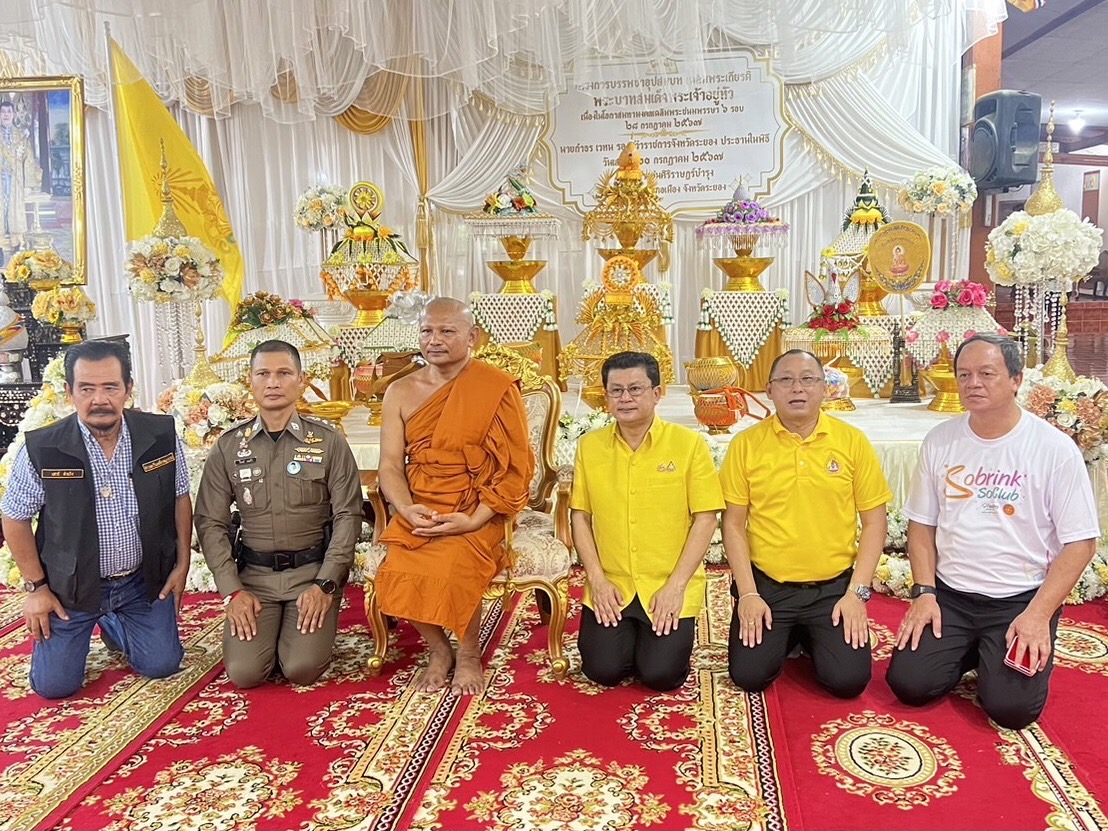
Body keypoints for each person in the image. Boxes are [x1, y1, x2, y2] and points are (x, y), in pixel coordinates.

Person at [887, 334, 1098, 729]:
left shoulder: (1053, 449)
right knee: (910, 684)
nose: (973, 383)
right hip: (951, 596)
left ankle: (996, 650)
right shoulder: (941, 440)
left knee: (1010, 710)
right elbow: (922, 524)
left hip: (1019, 600)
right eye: (964, 375)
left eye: (987, 373)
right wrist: (925, 592)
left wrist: (1038, 614)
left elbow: (1081, 542)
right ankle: (973, 650)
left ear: (1016, 380)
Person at [0, 340, 190, 699]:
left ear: (128, 389)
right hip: (70, 589)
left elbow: (180, 496)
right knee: (54, 686)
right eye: (87, 389)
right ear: (69, 391)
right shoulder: (43, 448)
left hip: (140, 581)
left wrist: (182, 563)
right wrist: (37, 588)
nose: (99, 399)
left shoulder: (160, 436)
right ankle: (101, 618)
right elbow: (14, 518)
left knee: (162, 664)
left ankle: (115, 621)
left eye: (110, 387)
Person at [375, 297, 533, 696]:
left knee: (455, 560)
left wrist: (474, 519)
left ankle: (468, 653)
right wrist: (406, 509)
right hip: (421, 505)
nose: (435, 340)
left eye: (447, 331)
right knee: (395, 567)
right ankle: (438, 648)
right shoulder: (400, 390)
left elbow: (516, 468)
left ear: (472, 337)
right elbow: (389, 466)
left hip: (479, 507)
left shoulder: (495, 387)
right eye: (427, 331)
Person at [720, 349, 890, 698]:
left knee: (848, 682)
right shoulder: (746, 445)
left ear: (825, 388)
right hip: (769, 586)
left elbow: (875, 522)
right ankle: (794, 635)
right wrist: (748, 593)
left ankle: (809, 636)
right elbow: (733, 525)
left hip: (833, 588)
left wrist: (856, 593)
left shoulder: (852, 442)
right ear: (769, 390)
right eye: (786, 380)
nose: (797, 388)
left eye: (808, 379)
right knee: (749, 676)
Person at [194, 340, 362, 689]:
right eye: (263, 374)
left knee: (301, 668)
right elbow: (210, 521)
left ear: (301, 380)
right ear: (250, 381)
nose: (273, 382)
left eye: (284, 373)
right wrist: (232, 591)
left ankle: (304, 635)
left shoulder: (328, 441)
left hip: (311, 575)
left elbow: (348, 515)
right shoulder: (229, 445)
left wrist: (326, 583)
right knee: (245, 673)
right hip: (254, 580)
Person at [570, 351, 722, 691]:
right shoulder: (590, 447)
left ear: (657, 393)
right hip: (614, 583)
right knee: (602, 671)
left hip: (666, 583)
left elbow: (706, 518)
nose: (625, 398)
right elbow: (580, 516)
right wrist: (597, 580)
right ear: (606, 396)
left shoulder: (688, 445)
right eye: (616, 390)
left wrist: (676, 586)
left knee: (660, 675)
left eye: (635, 389)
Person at [0, 99, 42, 252]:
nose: (6, 115)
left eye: (9, 112)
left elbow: (29, 160)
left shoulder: (21, 136)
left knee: (14, 211)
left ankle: (16, 243)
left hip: (15, 180)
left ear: (14, 114)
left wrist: (28, 185)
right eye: (3, 112)